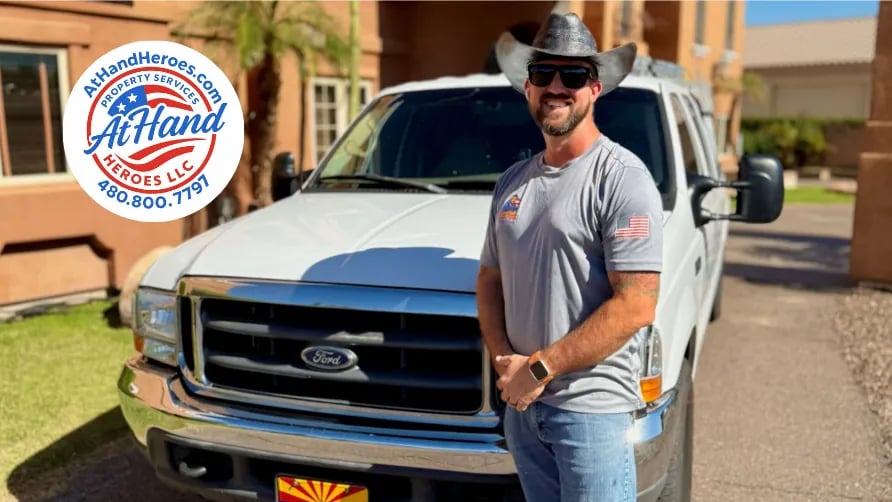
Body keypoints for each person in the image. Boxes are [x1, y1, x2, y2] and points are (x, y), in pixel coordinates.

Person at [475, 11, 663, 502]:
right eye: (544, 74)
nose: (557, 86)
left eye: (574, 75)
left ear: (595, 89)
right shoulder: (512, 182)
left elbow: (637, 304)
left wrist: (537, 369)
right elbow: (489, 279)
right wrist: (504, 364)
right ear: (528, 88)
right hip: (522, 408)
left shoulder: (622, 178)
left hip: (590, 412)